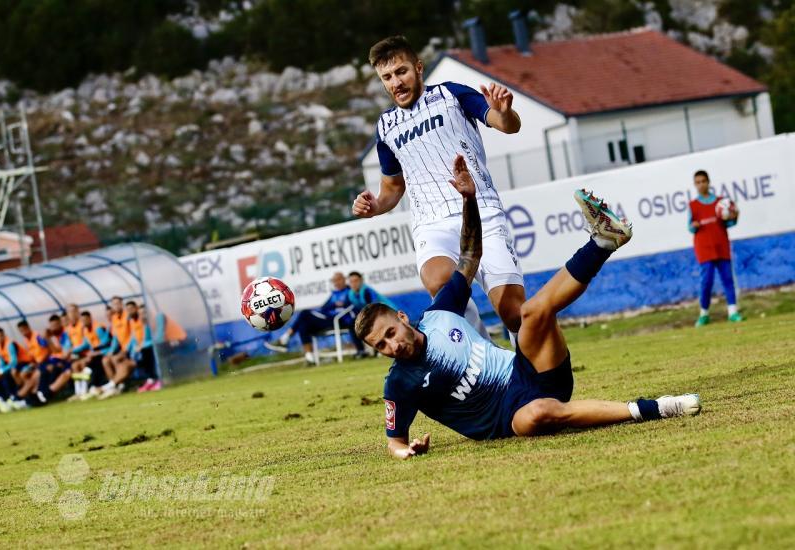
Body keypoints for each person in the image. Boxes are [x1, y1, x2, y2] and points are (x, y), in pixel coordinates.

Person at [354, 155, 701, 459]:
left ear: (401, 318)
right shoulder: (399, 384)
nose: (391, 345)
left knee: (531, 313)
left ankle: (603, 241)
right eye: (380, 345)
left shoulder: (440, 315)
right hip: (509, 418)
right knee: (537, 414)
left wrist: (469, 198)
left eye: (389, 333)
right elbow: (394, 442)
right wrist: (406, 450)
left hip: (530, 370)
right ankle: (656, 407)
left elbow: (470, 254)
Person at [353, 35, 525, 343]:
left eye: (401, 71)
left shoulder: (451, 95)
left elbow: (506, 125)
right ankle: (486, 362)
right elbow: (392, 187)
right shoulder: (385, 127)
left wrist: (505, 111)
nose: (396, 82)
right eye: (387, 77)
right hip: (431, 224)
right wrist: (375, 206)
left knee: (512, 311)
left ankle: (532, 373)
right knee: (441, 287)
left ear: (418, 68)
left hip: (480, 209)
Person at [265, 272, 366, 363]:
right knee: (303, 325)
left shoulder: (350, 291)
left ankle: (285, 339)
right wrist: (335, 304)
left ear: (344, 279)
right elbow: (324, 307)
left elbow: (350, 305)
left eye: (339, 280)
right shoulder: (334, 294)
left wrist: (337, 305)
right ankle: (310, 358)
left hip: (339, 320)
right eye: (334, 281)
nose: (336, 283)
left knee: (304, 313)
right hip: (328, 319)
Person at [688, 170, 743, 327]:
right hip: (704, 248)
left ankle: (733, 312)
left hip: (721, 245)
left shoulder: (721, 203)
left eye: (703, 181)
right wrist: (694, 226)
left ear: (708, 182)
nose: (701, 184)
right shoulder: (693, 205)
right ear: (695, 184)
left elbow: (730, 223)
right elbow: (690, 227)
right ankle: (704, 314)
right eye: (697, 182)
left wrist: (735, 216)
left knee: (727, 279)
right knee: (706, 282)